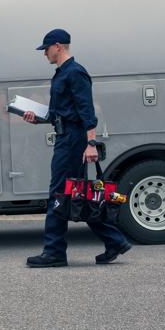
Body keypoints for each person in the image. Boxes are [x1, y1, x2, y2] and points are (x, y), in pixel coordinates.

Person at [23, 29, 132, 268]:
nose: (45, 54)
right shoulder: (61, 74)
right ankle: (114, 241)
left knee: (60, 194)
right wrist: (37, 118)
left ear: (58, 46)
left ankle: (54, 252)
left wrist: (91, 143)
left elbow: (87, 111)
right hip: (65, 137)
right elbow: (58, 113)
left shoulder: (75, 73)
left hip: (74, 140)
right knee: (75, 194)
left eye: (46, 49)